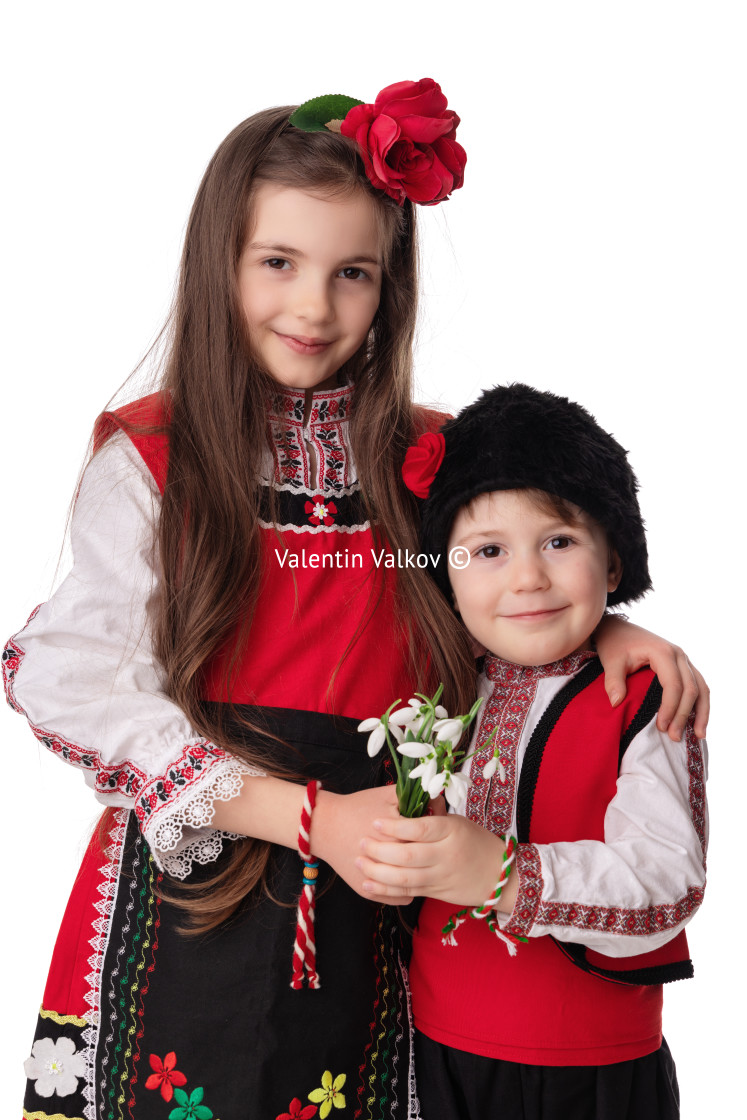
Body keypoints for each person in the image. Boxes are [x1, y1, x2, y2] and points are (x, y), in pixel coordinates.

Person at [3, 82, 705, 1119]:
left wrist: (603, 625)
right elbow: (72, 680)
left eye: (354, 273)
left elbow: (514, 578)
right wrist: (306, 817)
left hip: (391, 887)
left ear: (392, 286)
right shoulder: (158, 458)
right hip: (202, 882)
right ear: (220, 263)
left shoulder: (433, 457)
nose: (314, 307)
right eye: (278, 263)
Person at [356, 383, 708, 1120]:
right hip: (434, 1052)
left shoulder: (643, 697)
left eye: (559, 541)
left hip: (589, 1072)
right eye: (487, 550)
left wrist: (505, 874)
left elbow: (668, 884)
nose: (527, 577)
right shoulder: (438, 689)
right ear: (444, 580)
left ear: (612, 565)